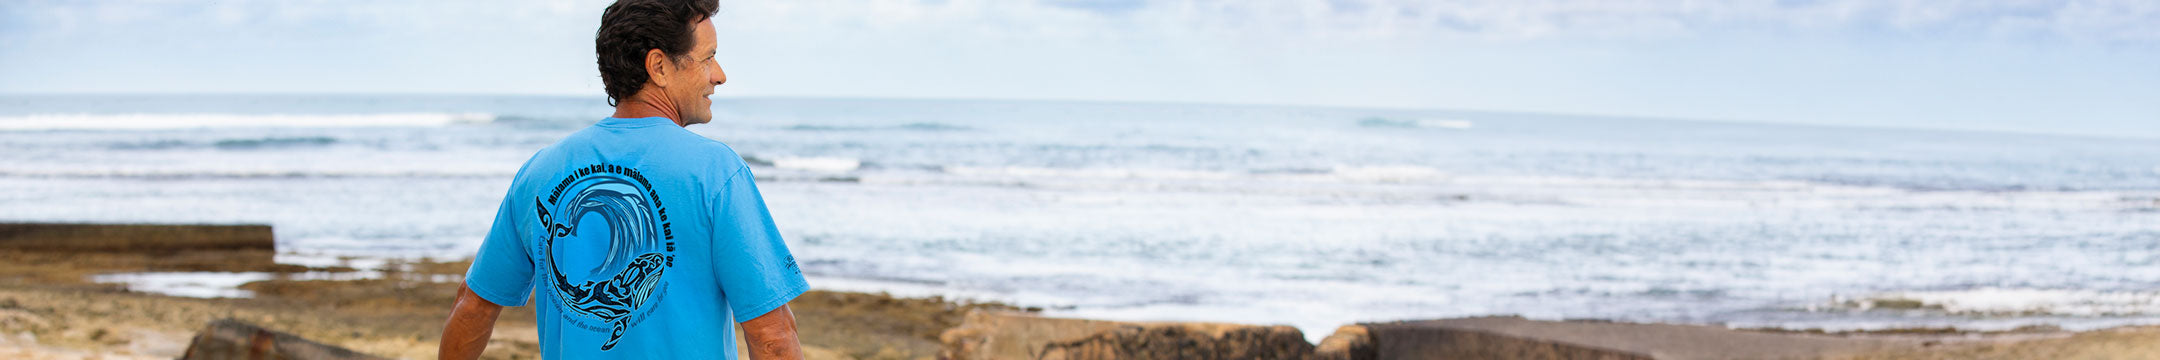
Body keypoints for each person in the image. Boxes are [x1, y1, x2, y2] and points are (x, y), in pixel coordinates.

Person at [439, 0, 807, 358]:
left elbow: (473, 307)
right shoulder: (716, 173)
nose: (719, 75)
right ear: (659, 66)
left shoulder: (540, 171)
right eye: (708, 57)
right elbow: (773, 338)